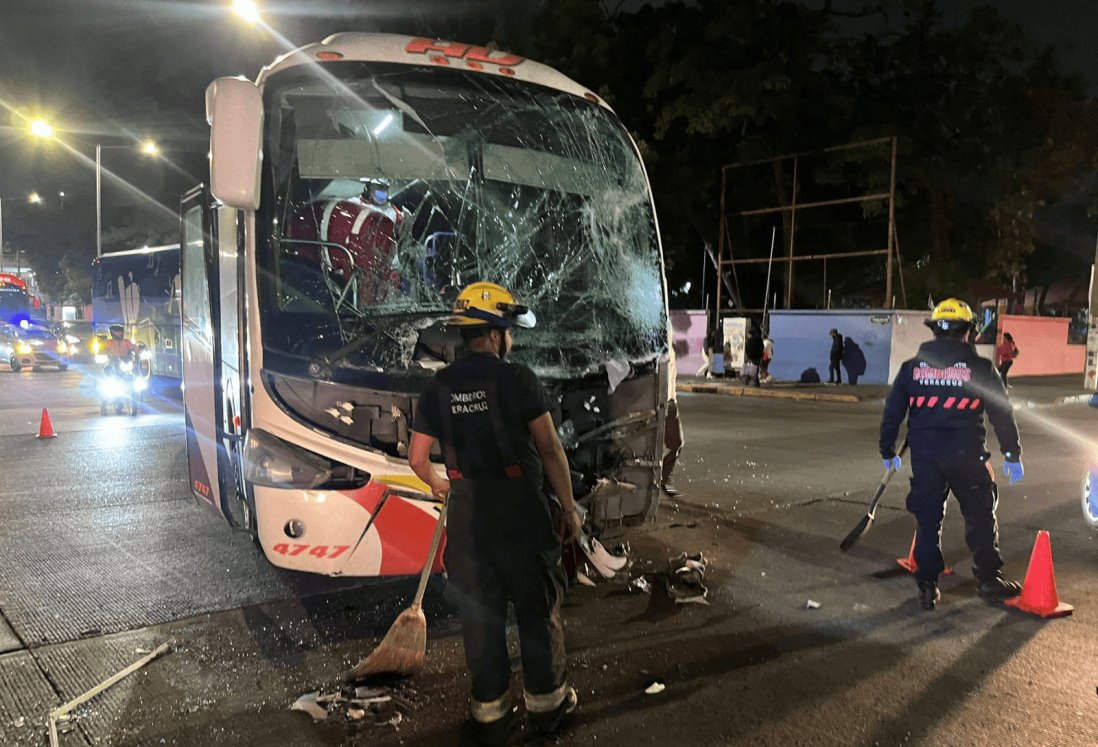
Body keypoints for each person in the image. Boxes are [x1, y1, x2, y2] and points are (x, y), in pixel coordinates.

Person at [408, 282, 582, 744]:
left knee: (481, 617)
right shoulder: (518, 379)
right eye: (509, 331)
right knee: (535, 610)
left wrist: (441, 484)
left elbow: (417, 457)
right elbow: (549, 449)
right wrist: (568, 507)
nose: (512, 340)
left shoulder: (437, 386)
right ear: (495, 333)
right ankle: (547, 707)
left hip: (467, 515)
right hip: (520, 513)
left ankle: (490, 714)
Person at [879, 298, 1023, 611]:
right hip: (968, 456)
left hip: (926, 456)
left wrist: (887, 449)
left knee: (928, 518)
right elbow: (1001, 412)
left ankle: (927, 586)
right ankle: (988, 580)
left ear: (934, 332)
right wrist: (1011, 454)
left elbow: (893, 411)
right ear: (968, 332)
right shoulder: (981, 368)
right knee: (980, 516)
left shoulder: (911, 368)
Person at [286, 176, 405, 305]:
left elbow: (396, 245)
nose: (382, 192)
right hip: (357, 262)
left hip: (382, 260)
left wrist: (394, 270)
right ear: (368, 187)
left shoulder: (396, 214)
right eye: (378, 188)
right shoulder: (354, 204)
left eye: (384, 188)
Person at [662, 344, 685, 497]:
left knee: (676, 443)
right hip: (657, 402)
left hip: (670, 402)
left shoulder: (670, 347)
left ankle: (663, 479)